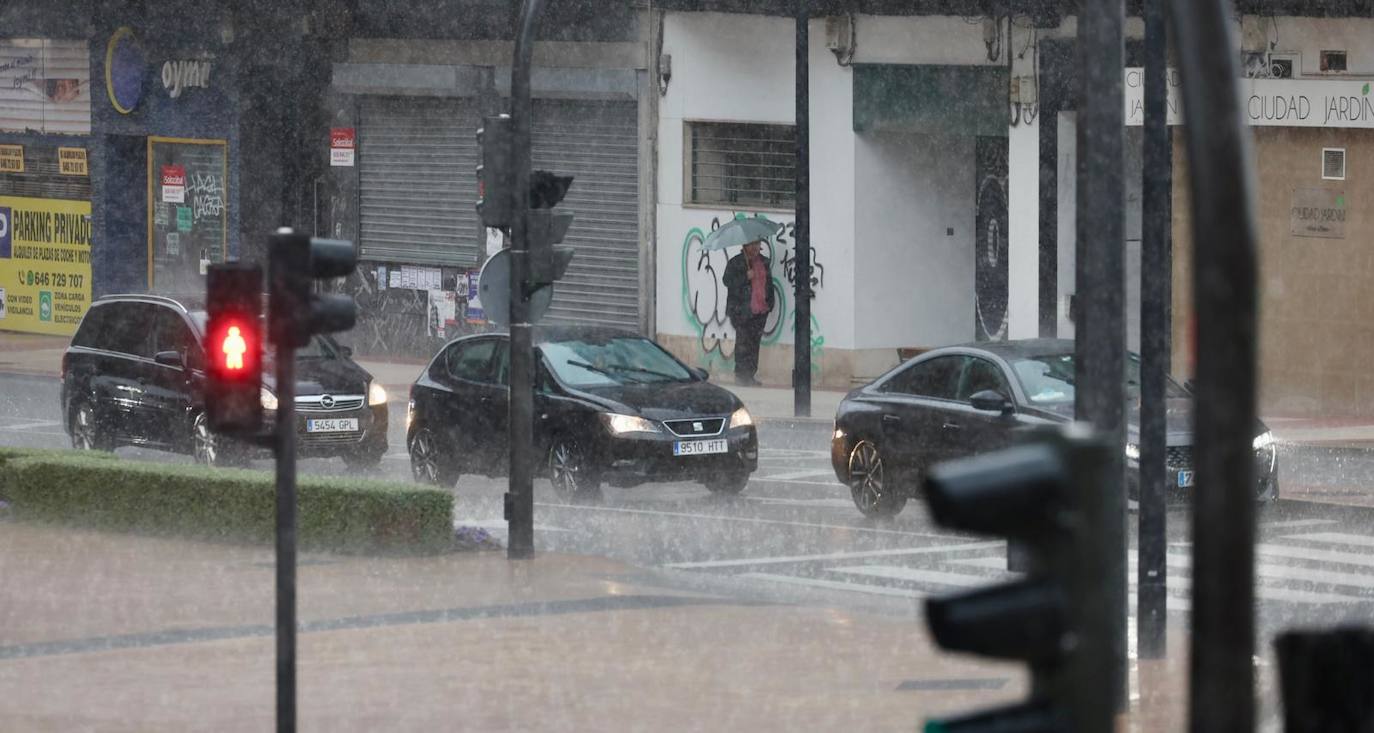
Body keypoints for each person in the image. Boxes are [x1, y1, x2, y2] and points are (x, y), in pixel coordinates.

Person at [722, 239, 775, 386]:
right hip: (742, 310)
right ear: (745, 246)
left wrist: (770, 303)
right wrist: (745, 277)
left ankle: (750, 375)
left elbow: (768, 283)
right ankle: (741, 375)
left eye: (758, 245)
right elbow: (727, 281)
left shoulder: (764, 262)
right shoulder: (736, 262)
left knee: (754, 344)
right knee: (743, 343)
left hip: (760, 310)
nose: (756, 248)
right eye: (752, 245)